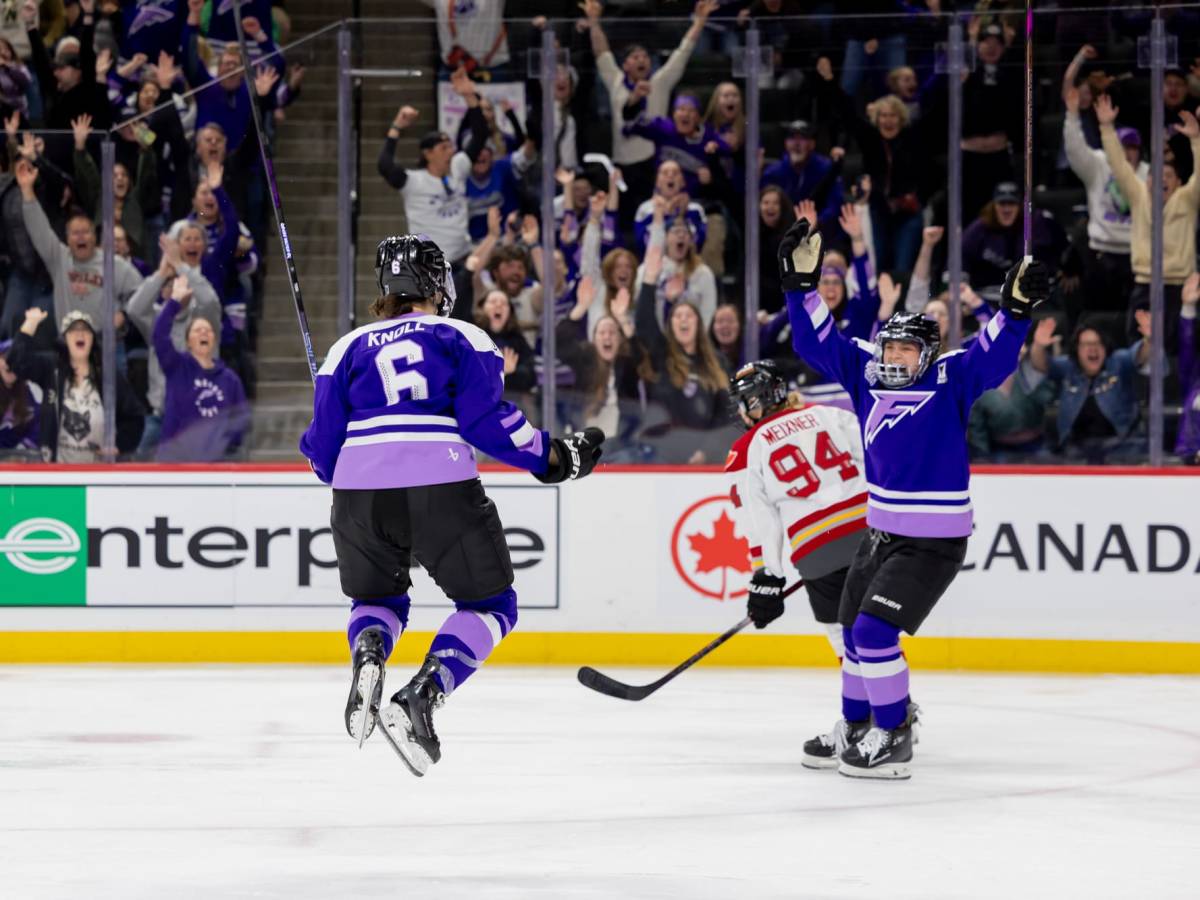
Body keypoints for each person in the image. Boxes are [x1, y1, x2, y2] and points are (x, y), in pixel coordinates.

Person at [299, 235, 606, 777]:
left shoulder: (346, 348)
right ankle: (422, 693)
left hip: (357, 496)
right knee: (491, 606)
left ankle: (370, 652)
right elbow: (488, 423)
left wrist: (342, 471)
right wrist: (555, 456)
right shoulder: (464, 335)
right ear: (435, 285)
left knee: (379, 600)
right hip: (439, 484)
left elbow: (322, 450)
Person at [780, 214, 1049, 778]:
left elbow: (993, 355)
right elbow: (816, 340)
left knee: (877, 632)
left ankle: (894, 733)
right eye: (888, 346)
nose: (892, 355)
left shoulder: (950, 377)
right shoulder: (866, 375)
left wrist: (1016, 311)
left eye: (904, 349)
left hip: (933, 542)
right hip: (878, 535)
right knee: (853, 631)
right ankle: (858, 725)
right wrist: (799, 287)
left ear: (926, 353)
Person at [724, 362, 868, 712]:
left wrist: (767, 576)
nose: (744, 410)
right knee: (872, 632)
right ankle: (895, 710)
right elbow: (878, 459)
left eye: (746, 401)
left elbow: (759, 520)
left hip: (817, 549)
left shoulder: (747, 447)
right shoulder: (830, 414)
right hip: (869, 537)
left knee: (841, 636)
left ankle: (864, 718)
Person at [1097, 93, 1200, 352]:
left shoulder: (1187, 198)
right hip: (1145, 284)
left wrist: (1197, 140)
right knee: (1139, 349)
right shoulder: (1139, 195)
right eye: (1157, 175)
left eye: (1168, 176)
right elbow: (1119, 165)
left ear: (1177, 182)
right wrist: (1107, 127)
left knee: (1181, 349)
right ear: (1147, 180)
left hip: (1179, 287)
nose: (1162, 180)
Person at [377, 67, 488, 298]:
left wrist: (470, 96)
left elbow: (479, 136)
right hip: (430, 269)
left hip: (462, 261)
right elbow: (384, 165)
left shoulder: (458, 166)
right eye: (443, 148)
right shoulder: (414, 182)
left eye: (450, 146)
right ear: (428, 153)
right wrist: (396, 127)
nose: (451, 151)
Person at [5, 307, 144, 461]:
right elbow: (16, 362)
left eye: (85, 330)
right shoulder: (52, 367)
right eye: (73, 330)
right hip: (58, 472)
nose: (80, 334)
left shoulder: (107, 375)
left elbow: (135, 416)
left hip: (98, 474)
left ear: (92, 339)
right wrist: (30, 323)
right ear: (65, 339)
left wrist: (118, 445)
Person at [1028, 312, 1152, 464]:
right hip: (1076, 451)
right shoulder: (1068, 367)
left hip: (1121, 448)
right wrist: (1038, 345)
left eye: (1098, 343)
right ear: (1077, 349)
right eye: (1086, 344)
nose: (1092, 349)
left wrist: (1149, 340)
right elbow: (1041, 365)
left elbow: (1139, 357)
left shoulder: (1118, 362)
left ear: (1105, 348)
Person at [151, 276, 249, 462]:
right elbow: (159, 336)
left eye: (208, 330)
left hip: (214, 468)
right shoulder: (177, 366)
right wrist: (174, 302)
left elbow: (240, 421)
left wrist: (222, 447)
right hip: (175, 463)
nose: (204, 332)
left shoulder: (230, 379)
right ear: (188, 341)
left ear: (214, 340)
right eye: (197, 330)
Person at [0, 338, 41, 457]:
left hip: (21, 463)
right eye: (5, 357)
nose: (10, 362)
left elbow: (38, 426)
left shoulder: (32, 390)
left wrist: (20, 451)